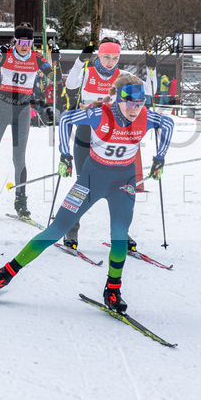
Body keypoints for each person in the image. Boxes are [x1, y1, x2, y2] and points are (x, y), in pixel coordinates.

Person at [0, 74, 174, 313]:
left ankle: (112, 290)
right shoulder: (100, 113)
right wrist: (65, 154)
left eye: (140, 103)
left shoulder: (145, 116)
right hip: (92, 179)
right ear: (118, 98)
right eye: (131, 102)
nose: (136, 109)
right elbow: (67, 119)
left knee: (120, 235)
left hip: (124, 182)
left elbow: (168, 124)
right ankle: (5, 274)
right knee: (57, 228)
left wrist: (160, 158)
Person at [0, 24, 58, 219]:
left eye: (28, 42)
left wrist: (56, 60)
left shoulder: (37, 57)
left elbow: (55, 78)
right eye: (20, 41)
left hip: (22, 110)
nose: (24, 46)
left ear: (32, 43)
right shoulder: (6, 54)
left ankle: (20, 202)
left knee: (19, 158)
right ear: (15, 40)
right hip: (2, 108)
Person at [61, 37, 138, 252]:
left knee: (119, 186)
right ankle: (70, 228)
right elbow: (70, 85)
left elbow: (142, 95)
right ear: (99, 55)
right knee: (83, 184)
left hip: (112, 135)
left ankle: (121, 232)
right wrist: (80, 60)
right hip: (87, 131)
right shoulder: (87, 72)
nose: (110, 62)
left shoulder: (122, 77)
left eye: (115, 58)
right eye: (106, 57)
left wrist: (151, 71)